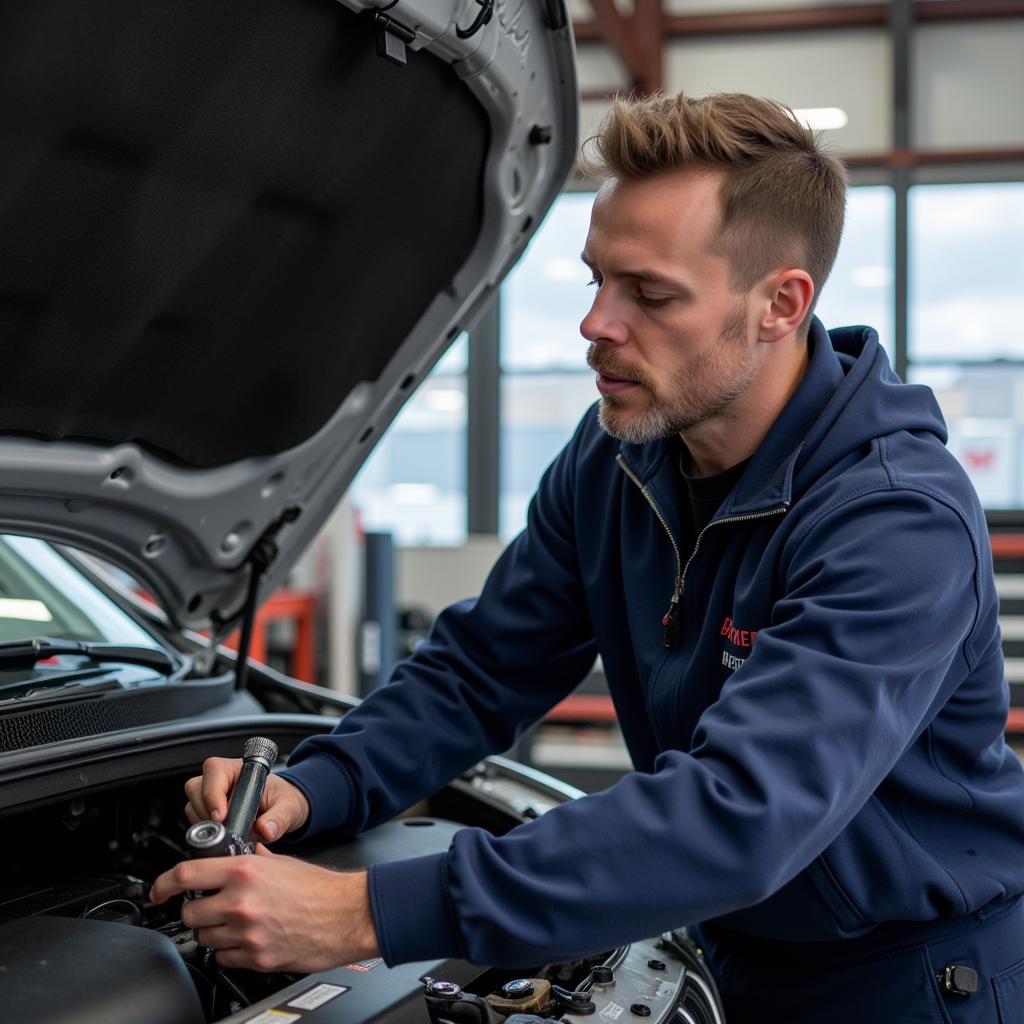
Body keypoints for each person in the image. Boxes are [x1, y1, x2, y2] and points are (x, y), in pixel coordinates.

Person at [151, 92, 1024, 1022]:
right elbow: (479, 672)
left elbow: (737, 814)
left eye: (649, 293)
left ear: (781, 303)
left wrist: (367, 913)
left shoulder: (896, 520)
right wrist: (313, 785)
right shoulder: (619, 458)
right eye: (595, 280)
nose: (597, 324)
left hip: (911, 981)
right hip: (731, 944)